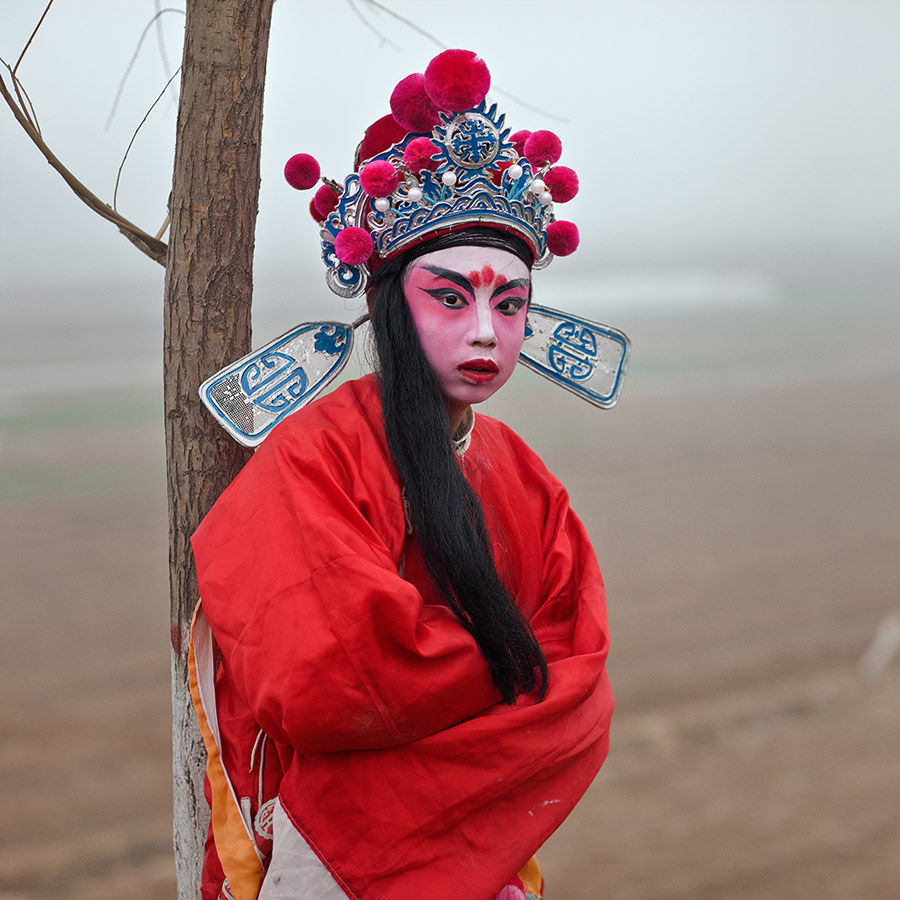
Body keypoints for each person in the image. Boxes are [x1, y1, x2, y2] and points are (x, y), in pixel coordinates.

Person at [190, 49, 618, 900]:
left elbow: (581, 683)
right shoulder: (317, 457)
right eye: (451, 298)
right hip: (327, 855)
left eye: (510, 303)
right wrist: (503, 666)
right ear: (390, 304)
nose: (487, 335)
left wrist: (472, 673)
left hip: (488, 857)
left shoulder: (528, 482)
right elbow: (326, 674)